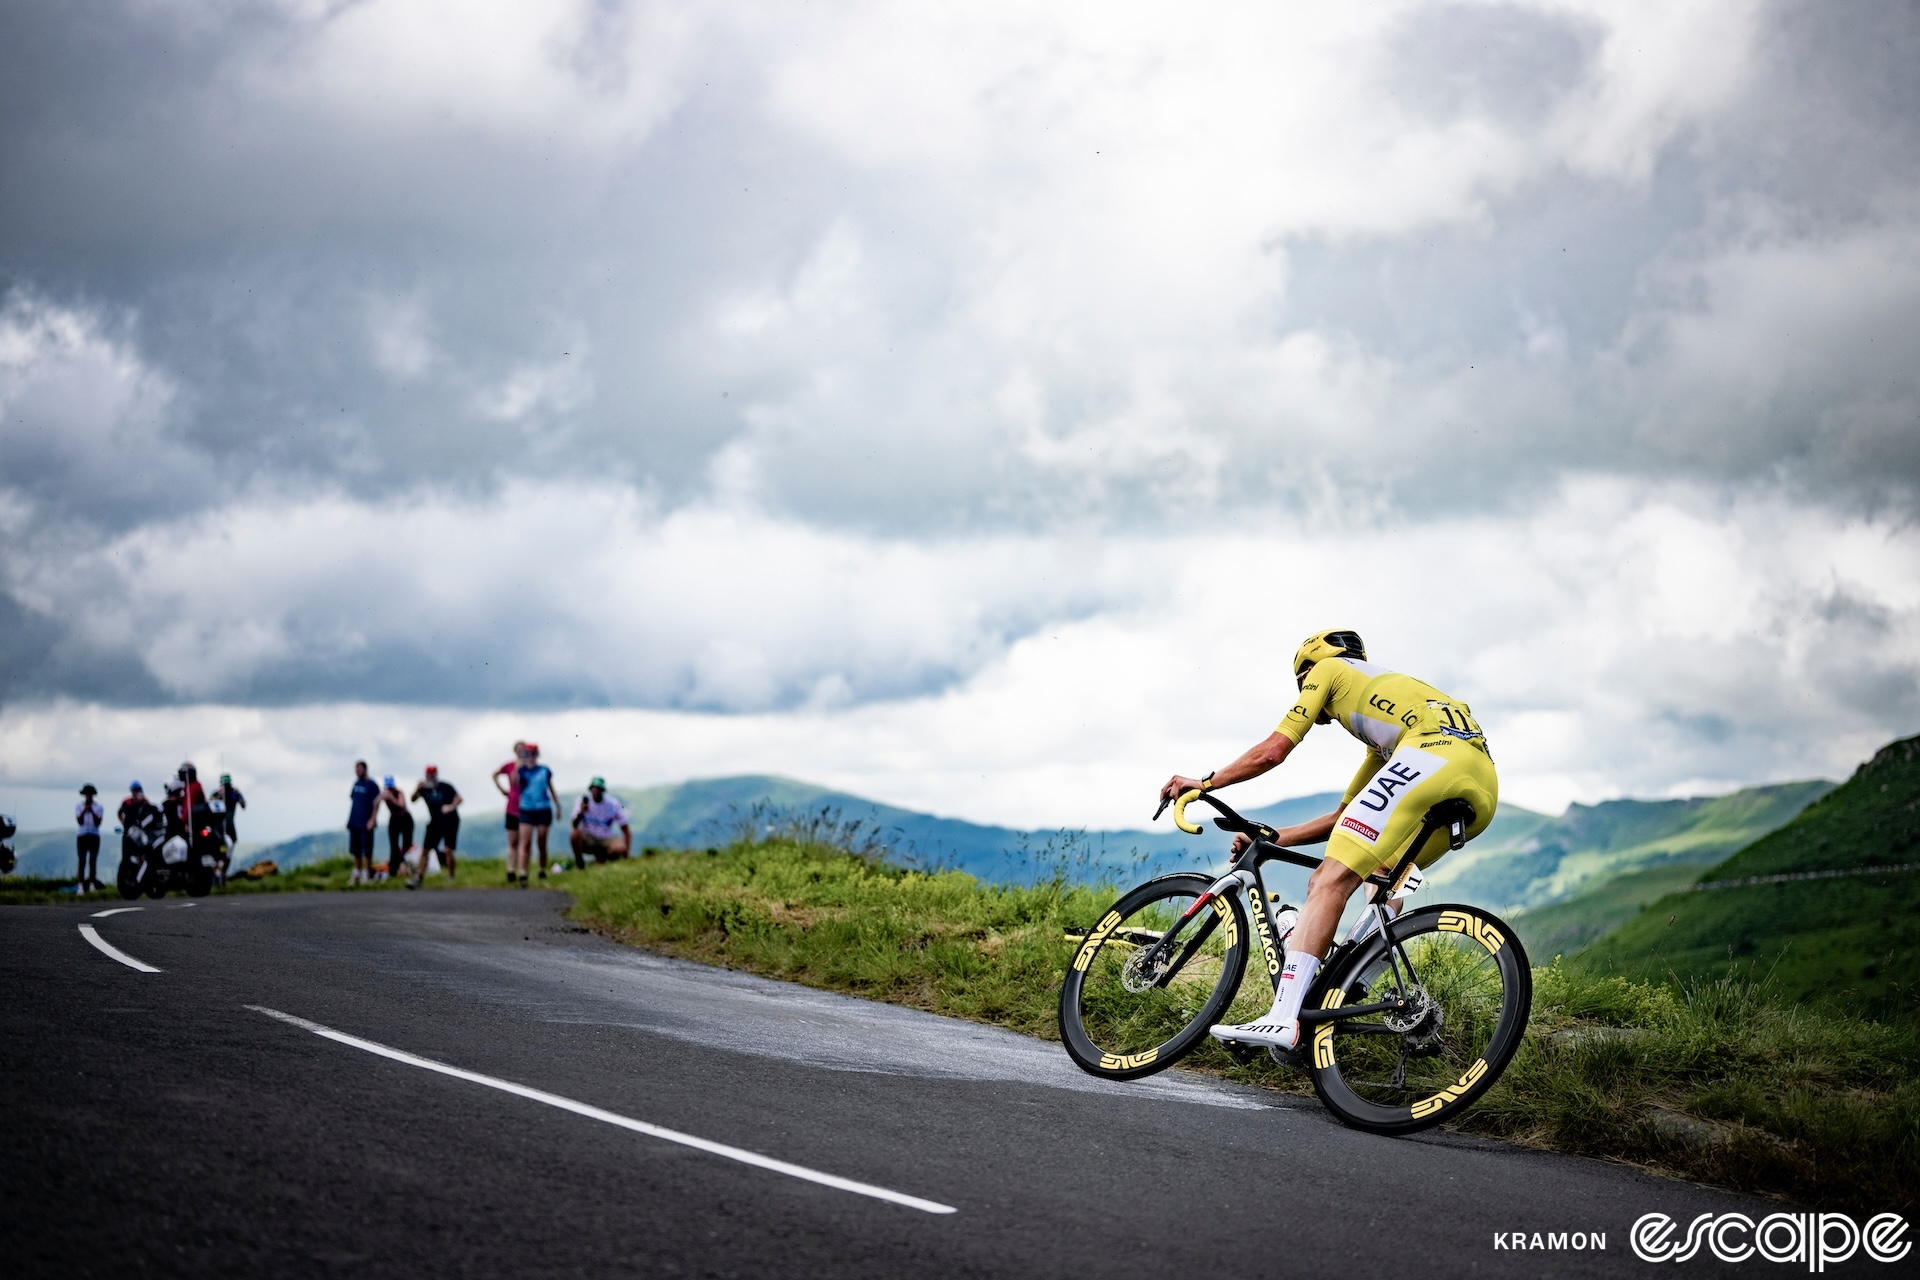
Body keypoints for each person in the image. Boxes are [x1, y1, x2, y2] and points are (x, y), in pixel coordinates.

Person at [1158, 629, 1498, 1055]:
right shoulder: (1386, 722)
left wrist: (1204, 782)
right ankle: (1353, 974)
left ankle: (1283, 1018)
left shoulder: (1328, 669)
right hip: (1481, 784)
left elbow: (1274, 750)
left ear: (1306, 671)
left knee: (1328, 879)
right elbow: (1343, 817)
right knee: (1382, 869)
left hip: (1432, 756)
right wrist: (1272, 837)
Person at [513, 743, 560, 885]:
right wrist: (518, 764)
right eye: (528, 754)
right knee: (525, 842)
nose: (531, 757)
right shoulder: (521, 771)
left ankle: (541, 868)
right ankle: (523, 872)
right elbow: (513, 782)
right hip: (526, 808)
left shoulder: (544, 770)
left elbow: (551, 788)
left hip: (543, 808)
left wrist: (557, 806)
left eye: (533, 754)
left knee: (541, 840)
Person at [411, 765, 462, 887]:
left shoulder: (445, 787)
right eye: (428, 775)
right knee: (425, 850)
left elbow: (459, 799)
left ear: (436, 775)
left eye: (432, 774)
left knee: (448, 850)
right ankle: (418, 877)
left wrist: (450, 807)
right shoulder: (424, 789)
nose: (430, 777)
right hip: (435, 822)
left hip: (450, 820)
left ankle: (451, 875)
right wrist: (417, 788)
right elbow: (413, 799)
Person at [569, 777, 632, 867]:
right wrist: (581, 812)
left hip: (606, 837)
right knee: (574, 834)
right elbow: (574, 825)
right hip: (588, 837)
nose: (595, 792)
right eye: (593, 789)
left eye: (598, 789)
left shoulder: (613, 804)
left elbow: (625, 829)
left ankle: (601, 859)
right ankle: (580, 864)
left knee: (620, 848)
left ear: (602, 790)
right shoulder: (582, 801)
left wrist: (627, 852)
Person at [492, 741, 529, 883]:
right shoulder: (510, 766)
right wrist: (501, 789)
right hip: (512, 807)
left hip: (526, 808)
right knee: (513, 841)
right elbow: (509, 780)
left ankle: (522, 871)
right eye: (519, 750)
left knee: (524, 842)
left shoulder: (530, 768)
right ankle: (511, 870)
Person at [347, 761, 381, 885]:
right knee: (355, 849)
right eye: (356, 769)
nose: (357, 771)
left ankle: (367, 873)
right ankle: (357, 872)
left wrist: (372, 819)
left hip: (366, 822)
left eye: (359, 769)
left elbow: (376, 803)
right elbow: (353, 800)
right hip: (354, 821)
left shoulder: (371, 785)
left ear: (365, 769)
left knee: (366, 849)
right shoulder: (356, 784)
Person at [379, 776, 415, 883]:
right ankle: (393, 871)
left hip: (404, 818)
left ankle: (407, 869)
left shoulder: (399, 793)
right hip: (394, 818)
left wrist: (391, 798)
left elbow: (401, 805)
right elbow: (375, 803)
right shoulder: (385, 794)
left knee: (406, 846)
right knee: (393, 846)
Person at [75, 784, 105, 892]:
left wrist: (91, 811)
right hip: (82, 835)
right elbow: (79, 821)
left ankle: (92, 884)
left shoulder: (99, 807)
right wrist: (84, 810)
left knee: (93, 860)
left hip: (94, 835)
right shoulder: (79, 806)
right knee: (81, 860)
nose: (88, 796)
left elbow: (98, 822)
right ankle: (80, 885)